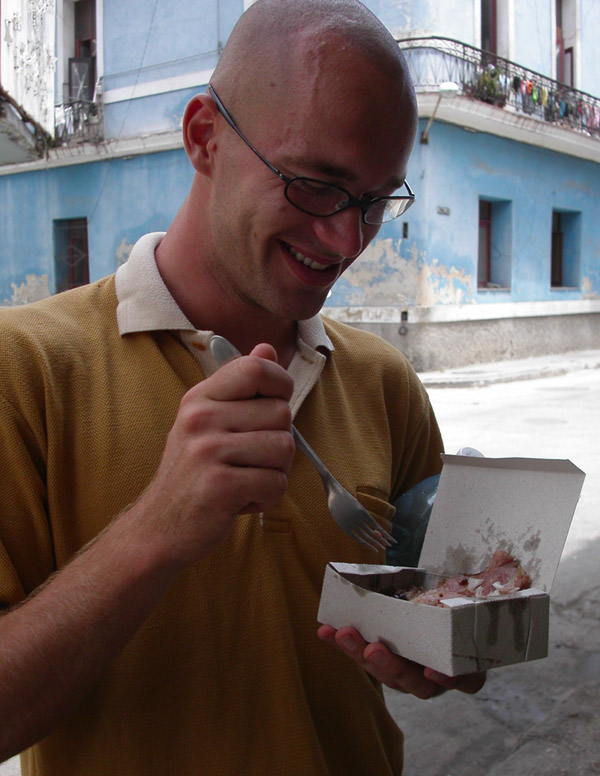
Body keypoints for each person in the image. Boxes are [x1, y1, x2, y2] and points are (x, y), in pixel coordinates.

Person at [0, 1, 485, 773]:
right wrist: (154, 530)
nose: (345, 240)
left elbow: (432, 627)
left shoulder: (386, 383)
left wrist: (439, 654)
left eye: (374, 202)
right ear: (205, 137)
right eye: (316, 185)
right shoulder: (24, 369)